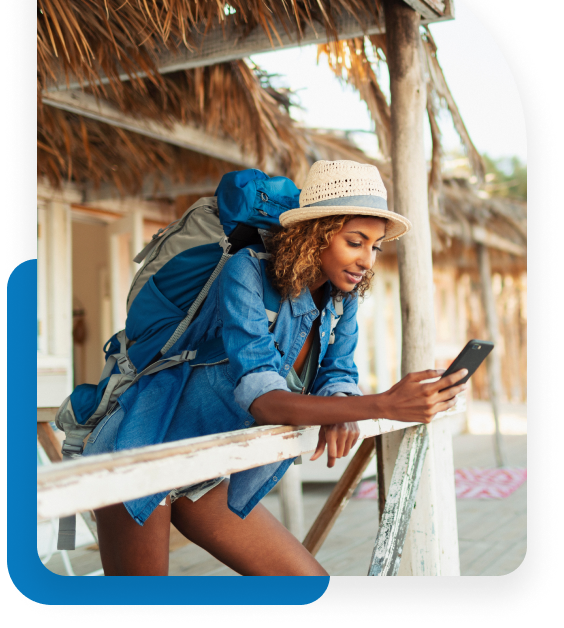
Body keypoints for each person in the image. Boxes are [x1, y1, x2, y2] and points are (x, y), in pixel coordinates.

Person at [83, 160, 468, 576]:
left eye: (375, 246)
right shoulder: (245, 270)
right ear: (316, 235)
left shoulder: (343, 298)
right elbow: (263, 400)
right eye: (355, 242)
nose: (367, 261)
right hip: (142, 448)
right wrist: (385, 405)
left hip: (205, 467)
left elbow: (338, 373)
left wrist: (342, 405)